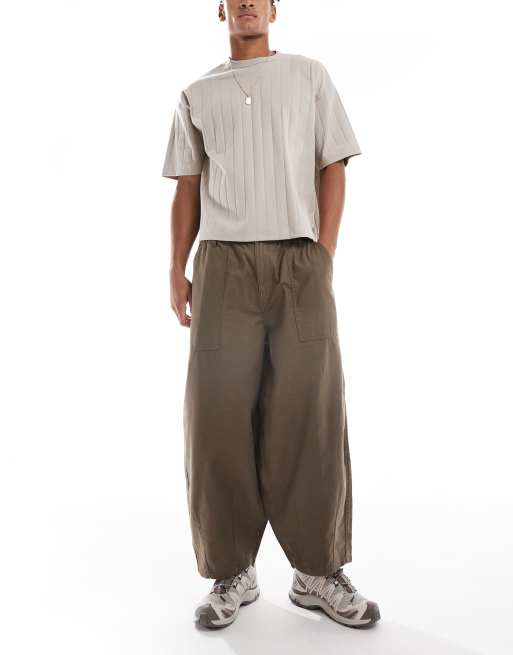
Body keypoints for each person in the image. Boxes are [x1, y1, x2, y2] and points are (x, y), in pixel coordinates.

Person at [162, 0, 380, 630]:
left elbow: (332, 164)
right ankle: (232, 570)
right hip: (223, 264)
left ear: (275, 9)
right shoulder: (197, 93)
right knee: (217, 415)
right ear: (221, 10)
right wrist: (176, 268)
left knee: (311, 412)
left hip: (298, 260)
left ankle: (317, 572)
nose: (248, 2)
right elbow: (188, 186)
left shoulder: (309, 75)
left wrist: (322, 254)